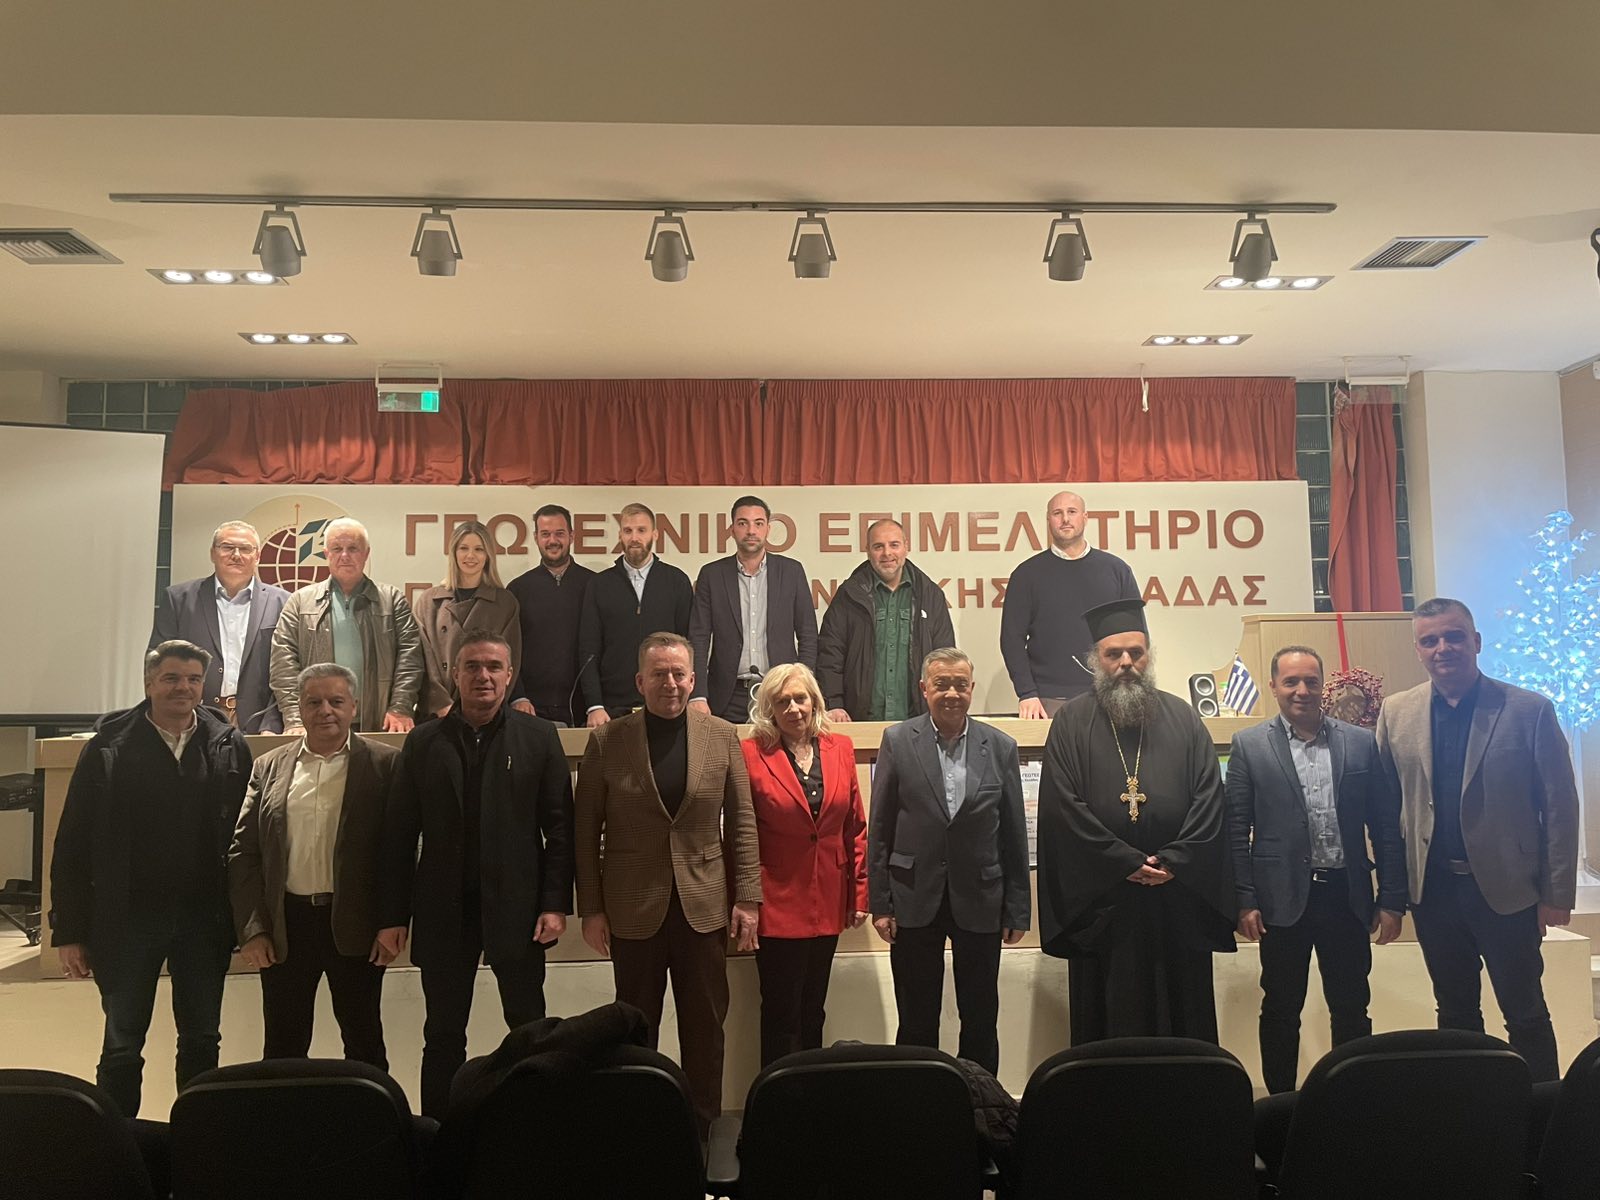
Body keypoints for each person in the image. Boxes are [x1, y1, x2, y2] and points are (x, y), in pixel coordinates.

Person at [1375, 597, 1578, 1082]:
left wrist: (1556, 893)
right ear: (1418, 650)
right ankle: (1470, 1109)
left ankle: (1541, 1111)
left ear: (1477, 641)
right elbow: (1386, 812)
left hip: (1508, 893)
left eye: (1454, 636)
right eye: (1429, 640)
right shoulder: (1396, 712)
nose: (1442, 648)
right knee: (1455, 1013)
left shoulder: (1528, 710)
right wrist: (1393, 894)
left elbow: (1559, 806)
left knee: (1525, 1013)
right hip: (1434, 894)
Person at [49, 639, 252, 1116]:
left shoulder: (227, 743)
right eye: (171, 678)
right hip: (127, 920)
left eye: (193, 679)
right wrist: (70, 931)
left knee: (202, 1038)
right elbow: (72, 843)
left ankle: (197, 1136)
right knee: (122, 1043)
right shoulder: (108, 747)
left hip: (203, 919)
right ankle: (120, 1141)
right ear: (148, 683)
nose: (183, 688)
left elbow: (246, 840)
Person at [377, 632, 574, 1118]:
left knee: (529, 1029)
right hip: (444, 913)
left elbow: (559, 829)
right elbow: (399, 835)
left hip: (519, 911)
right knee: (442, 1034)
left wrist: (554, 904)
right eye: (472, 667)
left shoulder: (539, 738)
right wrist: (393, 915)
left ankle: (532, 1129)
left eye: (493, 667)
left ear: (509, 675)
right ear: (454, 674)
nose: (483, 676)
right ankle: (437, 1136)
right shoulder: (423, 742)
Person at [574, 632, 761, 1135]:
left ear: (693, 679)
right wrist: (591, 908)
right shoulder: (607, 741)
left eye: (678, 673)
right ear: (640, 681)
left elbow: (742, 823)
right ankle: (642, 1134)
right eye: (659, 674)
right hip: (632, 908)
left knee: (706, 1030)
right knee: (636, 1031)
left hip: (704, 907)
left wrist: (748, 897)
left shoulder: (722, 736)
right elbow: (585, 831)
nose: (670, 683)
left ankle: (702, 1135)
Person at [1036, 598, 1235, 1044]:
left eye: (1136, 653)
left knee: (1183, 1019)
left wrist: (1175, 860)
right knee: (1111, 1023)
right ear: (1096, 660)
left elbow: (1210, 799)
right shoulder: (1070, 723)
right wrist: (1122, 862)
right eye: (1114, 654)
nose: (1126, 662)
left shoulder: (1184, 718)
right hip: (1104, 906)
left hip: (1176, 901)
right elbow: (1062, 809)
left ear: (1148, 657)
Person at [1225, 645, 1407, 1094]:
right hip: (1280, 901)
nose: (1301, 690)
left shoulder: (1360, 743)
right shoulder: (1249, 745)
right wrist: (1244, 899)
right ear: (1274, 686)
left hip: (1346, 896)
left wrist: (1391, 899)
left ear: (1323, 685)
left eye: (1310, 681)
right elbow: (1236, 829)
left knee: (1351, 1008)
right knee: (1281, 1009)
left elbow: (1385, 826)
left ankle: (1350, 1101)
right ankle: (1281, 1105)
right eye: (1291, 681)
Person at [228, 663, 400, 1070]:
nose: (326, 710)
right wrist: (253, 929)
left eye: (336, 701)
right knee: (283, 1047)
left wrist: (391, 921)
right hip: (286, 927)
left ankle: (372, 1111)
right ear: (300, 709)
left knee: (364, 1042)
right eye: (314, 702)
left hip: (356, 924)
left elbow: (400, 852)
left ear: (353, 706)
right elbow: (244, 852)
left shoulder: (386, 764)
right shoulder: (269, 767)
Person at [866, 648, 1029, 1075]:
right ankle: (920, 1103)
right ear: (924, 689)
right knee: (916, 1018)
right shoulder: (898, 741)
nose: (952, 693)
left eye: (960, 684)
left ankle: (983, 1102)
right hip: (913, 896)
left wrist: (1017, 908)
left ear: (971, 689)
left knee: (980, 1016)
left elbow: (1013, 835)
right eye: (942, 684)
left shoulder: (1001, 747)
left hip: (981, 898)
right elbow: (879, 829)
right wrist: (880, 904)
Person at [740, 663, 867, 1066]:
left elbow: (855, 827)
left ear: (815, 701)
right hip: (775, 903)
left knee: (814, 1010)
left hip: (829, 898)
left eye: (800, 698)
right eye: (782, 701)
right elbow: (741, 834)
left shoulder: (840, 748)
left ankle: (813, 1094)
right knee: (781, 1016)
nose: (793, 708)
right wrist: (744, 898)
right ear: (769, 709)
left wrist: (860, 893)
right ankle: (776, 1096)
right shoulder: (750, 754)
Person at [269, 516, 424, 735]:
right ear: (326, 554)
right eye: (337, 548)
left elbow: (410, 659)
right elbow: (282, 665)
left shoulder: (392, 600)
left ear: (366, 554)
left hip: (380, 723)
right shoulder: (300, 602)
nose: (345, 556)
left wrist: (400, 708)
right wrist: (295, 718)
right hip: (318, 724)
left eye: (353, 548)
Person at [1000, 490, 1139, 718]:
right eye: (1058, 513)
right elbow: (1011, 639)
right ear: (1048, 520)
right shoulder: (1026, 575)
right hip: (1047, 701)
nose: (1065, 519)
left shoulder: (1117, 570)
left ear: (1085, 517)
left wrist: (1128, 687)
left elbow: (1136, 636)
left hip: (1109, 696)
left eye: (1072, 512)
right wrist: (1027, 693)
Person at [149, 520, 290, 732]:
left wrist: (272, 725)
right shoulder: (178, 599)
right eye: (227, 547)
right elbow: (156, 664)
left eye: (245, 549)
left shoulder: (283, 602)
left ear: (258, 556)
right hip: (192, 721)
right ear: (212, 553)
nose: (236, 555)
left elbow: (289, 671)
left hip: (261, 725)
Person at [690, 494, 819, 723]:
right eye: (743, 523)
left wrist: (802, 684)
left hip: (781, 690)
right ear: (732, 530)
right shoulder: (712, 575)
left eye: (758, 523)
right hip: (726, 695)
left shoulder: (791, 572)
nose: (751, 531)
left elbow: (808, 634)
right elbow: (698, 639)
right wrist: (698, 694)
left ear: (768, 529)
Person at [816, 518, 955, 722]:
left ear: (906, 547)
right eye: (878, 546)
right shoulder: (848, 595)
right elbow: (830, 655)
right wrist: (834, 704)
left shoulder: (930, 595)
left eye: (894, 545)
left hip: (917, 722)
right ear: (867, 551)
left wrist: (942, 706)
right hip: (858, 720)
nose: (887, 553)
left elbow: (944, 658)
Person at [577, 503, 693, 726]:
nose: (634, 538)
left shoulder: (676, 581)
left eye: (641, 530)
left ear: (655, 534)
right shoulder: (599, 584)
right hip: (611, 707)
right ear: (620, 535)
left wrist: (687, 697)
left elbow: (688, 646)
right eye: (628, 531)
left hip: (666, 701)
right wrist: (594, 705)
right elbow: (588, 648)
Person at [413, 519, 522, 719]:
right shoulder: (428, 601)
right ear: (453, 553)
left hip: (486, 715)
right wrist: (441, 705)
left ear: (488, 555)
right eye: (463, 548)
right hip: (435, 716)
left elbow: (508, 663)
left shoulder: (505, 603)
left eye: (479, 549)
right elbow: (421, 661)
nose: (470, 555)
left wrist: (484, 707)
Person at [508, 503, 595, 727]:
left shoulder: (595, 585)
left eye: (559, 533)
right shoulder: (517, 589)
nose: (552, 540)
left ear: (572, 536)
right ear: (536, 538)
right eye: (545, 534)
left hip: (585, 710)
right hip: (530, 709)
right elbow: (509, 649)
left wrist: (597, 704)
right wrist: (518, 696)